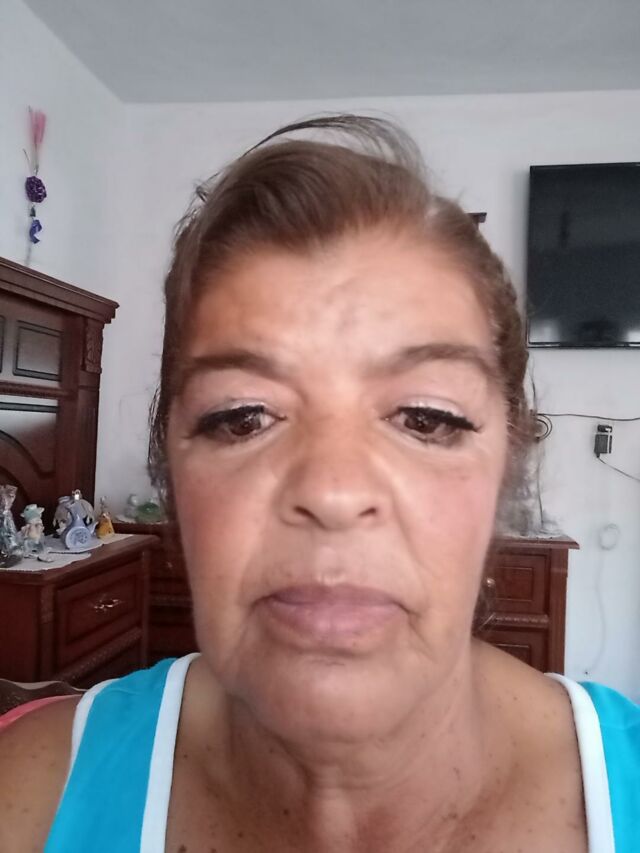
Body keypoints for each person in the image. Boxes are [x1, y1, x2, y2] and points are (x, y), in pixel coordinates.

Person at [1, 115, 638, 852]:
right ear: (170, 467)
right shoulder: (29, 794)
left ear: (507, 467)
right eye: (243, 417)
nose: (332, 492)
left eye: (426, 418)